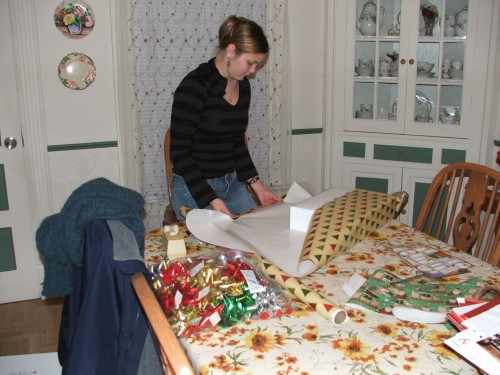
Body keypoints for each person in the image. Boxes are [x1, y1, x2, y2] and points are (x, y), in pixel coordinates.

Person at [169, 15, 283, 221]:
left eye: (257, 64)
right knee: (210, 251)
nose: (252, 71)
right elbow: (179, 153)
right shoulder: (194, 86)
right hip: (193, 188)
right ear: (231, 51)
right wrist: (211, 199)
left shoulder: (243, 86)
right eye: (250, 63)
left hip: (231, 184)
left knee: (258, 233)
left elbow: (237, 144)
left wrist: (258, 187)